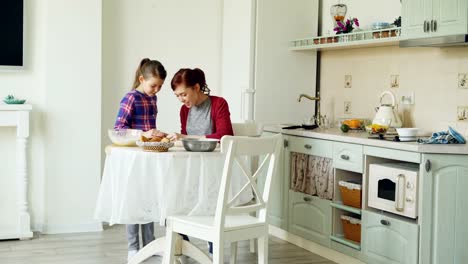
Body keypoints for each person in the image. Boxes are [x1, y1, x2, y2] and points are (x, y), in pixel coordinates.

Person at [167, 68, 234, 255]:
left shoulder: (218, 104)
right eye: (178, 96)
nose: (181, 99)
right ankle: (185, 245)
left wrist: (189, 137)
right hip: (192, 166)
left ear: (196, 87)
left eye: (184, 94)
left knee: (199, 197)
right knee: (172, 194)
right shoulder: (184, 110)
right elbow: (187, 139)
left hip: (216, 169)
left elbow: (225, 135)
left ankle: (212, 246)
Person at [114, 58, 167, 260]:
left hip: (149, 158)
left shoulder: (152, 99)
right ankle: (133, 248)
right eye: (154, 85)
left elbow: (148, 129)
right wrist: (143, 134)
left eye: (160, 86)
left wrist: (157, 134)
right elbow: (119, 131)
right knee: (133, 203)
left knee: (148, 202)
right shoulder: (130, 98)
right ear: (141, 79)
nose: (156, 90)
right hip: (133, 160)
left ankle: (150, 245)